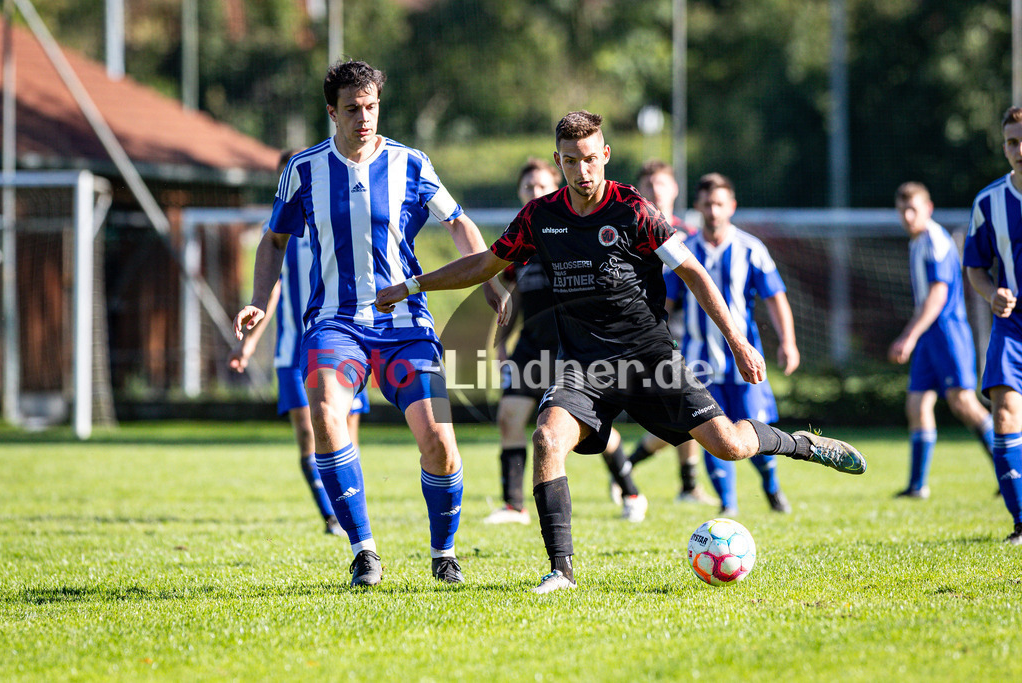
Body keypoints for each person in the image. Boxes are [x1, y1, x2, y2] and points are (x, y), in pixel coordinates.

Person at [376, 110, 866, 593]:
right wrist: (412, 285)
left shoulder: (634, 211)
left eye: (590, 159)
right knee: (547, 439)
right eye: (571, 161)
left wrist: (737, 340)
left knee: (730, 446)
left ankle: (803, 444)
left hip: (651, 361)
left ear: (605, 155)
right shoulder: (539, 217)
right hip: (582, 368)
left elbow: (693, 272)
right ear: (558, 161)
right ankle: (561, 572)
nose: (582, 171)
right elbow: (486, 263)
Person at [233, 60, 506, 587]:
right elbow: (273, 240)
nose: (364, 118)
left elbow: (458, 223)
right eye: (353, 109)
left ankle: (444, 553)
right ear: (331, 112)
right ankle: (363, 551)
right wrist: (259, 301)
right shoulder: (304, 169)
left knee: (439, 442)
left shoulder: (411, 163)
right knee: (325, 414)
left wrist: (489, 282)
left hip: (405, 326)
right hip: (335, 324)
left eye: (371, 107)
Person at [486, 158, 648, 525]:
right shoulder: (519, 241)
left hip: (573, 348)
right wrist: (500, 342)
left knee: (588, 428)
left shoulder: (573, 231)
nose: (534, 192)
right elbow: (513, 297)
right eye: (528, 187)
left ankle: (631, 491)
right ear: (520, 192)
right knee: (509, 416)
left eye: (542, 186)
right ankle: (514, 505)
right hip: (531, 347)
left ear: (556, 187)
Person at [629, 173, 799, 516]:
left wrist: (788, 342)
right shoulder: (684, 250)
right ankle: (728, 506)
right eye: (707, 204)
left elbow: (775, 297)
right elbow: (666, 302)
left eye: (719, 204)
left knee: (756, 430)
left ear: (731, 206)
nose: (713, 211)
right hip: (700, 364)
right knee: (712, 432)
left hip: (743, 362)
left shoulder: (751, 249)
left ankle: (771, 486)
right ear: (697, 206)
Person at [228, 150, 371, 536]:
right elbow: (271, 288)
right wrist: (249, 343)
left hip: (342, 343)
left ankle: (352, 515)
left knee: (346, 434)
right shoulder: (277, 228)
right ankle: (332, 517)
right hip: (293, 351)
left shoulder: (337, 216)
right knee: (309, 434)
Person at [889, 181, 995, 499]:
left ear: (928, 208)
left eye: (913, 209)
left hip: (947, 332)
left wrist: (909, 335)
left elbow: (938, 296)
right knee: (917, 404)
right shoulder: (918, 241)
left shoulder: (935, 240)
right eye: (902, 210)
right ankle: (917, 487)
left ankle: (1011, 469)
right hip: (928, 335)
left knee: (963, 403)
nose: (908, 216)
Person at [622, 160, 717, 508]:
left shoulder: (691, 235)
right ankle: (675, 481)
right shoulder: (629, 230)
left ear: (675, 188)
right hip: (649, 331)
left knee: (690, 409)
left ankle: (638, 467)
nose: (655, 190)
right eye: (648, 184)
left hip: (692, 331)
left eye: (661, 183)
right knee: (685, 410)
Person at [962, 105, 1022, 545]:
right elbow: (975, 268)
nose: (1019, 149)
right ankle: (1020, 521)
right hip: (1012, 323)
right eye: (1012, 142)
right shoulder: (989, 202)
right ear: (1003, 147)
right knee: (1004, 412)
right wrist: (991, 294)